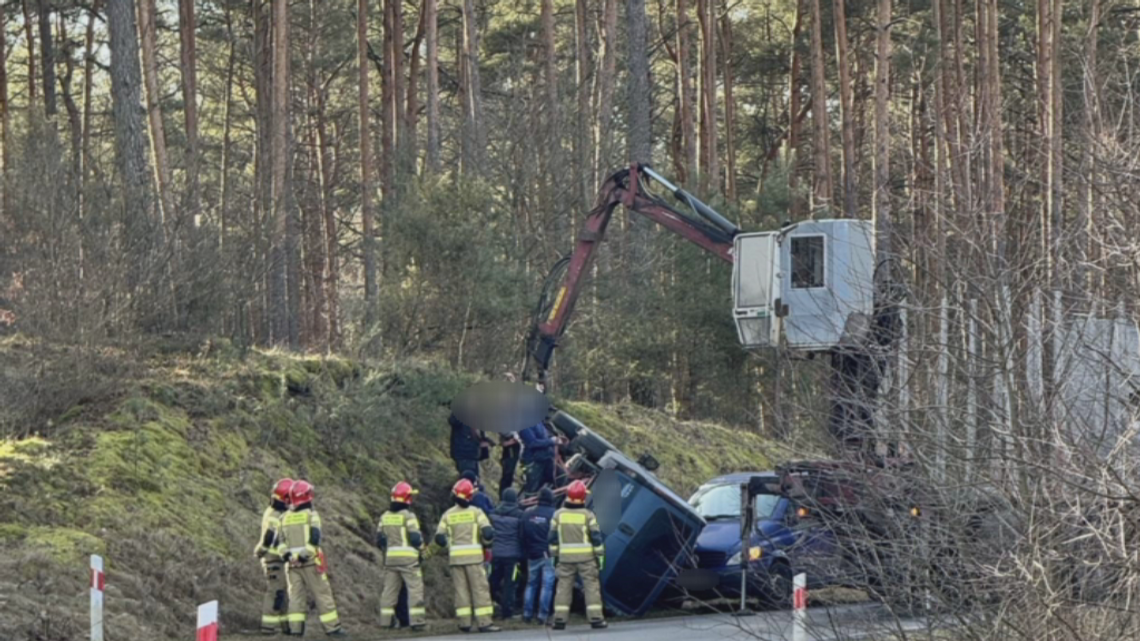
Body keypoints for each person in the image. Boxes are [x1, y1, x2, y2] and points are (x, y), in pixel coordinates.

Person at [275, 480, 347, 637]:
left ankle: (296, 631)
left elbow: (279, 543)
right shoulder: (312, 515)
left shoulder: (283, 518)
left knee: (295, 598)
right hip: (310, 563)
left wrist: (288, 556)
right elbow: (315, 539)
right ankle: (333, 628)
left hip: (291, 566)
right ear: (305, 497)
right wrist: (303, 556)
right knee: (322, 594)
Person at [432, 479, 501, 633]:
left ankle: (464, 623)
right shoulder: (477, 512)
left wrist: (448, 544)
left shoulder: (447, 515)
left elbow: (439, 538)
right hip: (474, 559)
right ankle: (484, 622)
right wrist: (487, 541)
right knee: (479, 590)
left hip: (456, 559)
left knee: (461, 591)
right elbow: (488, 532)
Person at [550, 480, 607, 630]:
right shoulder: (588, 515)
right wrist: (600, 555)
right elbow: (596, 537)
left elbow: (552, 539)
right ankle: (596, 619)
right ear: (583, 498)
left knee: (563, 588)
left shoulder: (558, 515)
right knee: (591, 588)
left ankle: (559, 620)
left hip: (565, 559)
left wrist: (555, 556)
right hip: (586, 559)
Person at [376, 481, 426, 631]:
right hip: (409, 560)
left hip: (391, 559)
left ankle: (386, 622)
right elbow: (416, 538)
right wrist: (422, 549)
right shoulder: (408, 516)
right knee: (415, 589)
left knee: (389, 591)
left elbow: (380, 540)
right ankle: (417, 622)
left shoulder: (384, 516)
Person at [254, 478, 293, 635]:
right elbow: (269, 539)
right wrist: (261, 551)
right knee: (275, 592)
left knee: (282, 593)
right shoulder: (275, 514)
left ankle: (287, 626)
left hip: (278, 559)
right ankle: (268, 627)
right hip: (273, 560)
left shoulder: (275, 512)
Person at [521, 487, 557, 625]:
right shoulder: (554, 514)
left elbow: (522, 534)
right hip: (548, 553)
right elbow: (555, 536)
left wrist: (526, 550)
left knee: (531, 583)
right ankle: (542, 615)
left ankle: (527, 613)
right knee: (547, 585)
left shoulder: (527, 513)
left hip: (532, 553)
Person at [488, 488, 524, 620]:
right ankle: (507, 612)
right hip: (512, 556)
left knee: (493, 580)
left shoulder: (493, 514)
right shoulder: (520, 515)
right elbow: (522, 536)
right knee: (510, 583)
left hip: (496, 554)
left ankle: (491, 602)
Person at [519, 421, 557, 495]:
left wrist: (553, 440)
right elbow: (532, 443)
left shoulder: (539, 422)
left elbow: (544, 437)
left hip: (544, 460)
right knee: (531, 490)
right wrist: (551, 441)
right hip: (533, 461)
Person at [449, 411, 483, 478]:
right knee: (467, 477)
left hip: (472, 453)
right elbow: (453, 421)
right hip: (464, 452)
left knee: (474, 478)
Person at [499, 432, 521, 499]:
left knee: (509, 476)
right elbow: (503, 442)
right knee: (507, 475)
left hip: (514, 453)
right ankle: (503, 496)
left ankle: (505, 495)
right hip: (509, 454)